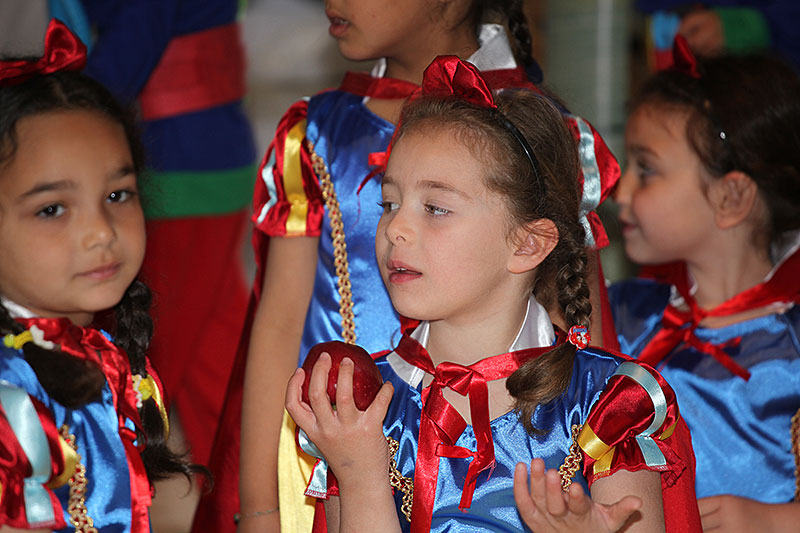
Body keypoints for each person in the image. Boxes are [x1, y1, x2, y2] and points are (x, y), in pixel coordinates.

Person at [195, 1, 621, 532]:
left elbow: (579, 325)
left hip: (514, 468)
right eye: (387, 203)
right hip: (328, 458)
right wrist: (260, 509)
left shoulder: (547, 138)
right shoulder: (316, 135)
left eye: (436, 208)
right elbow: (279, 326)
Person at [286, 56, 700, 533]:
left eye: (436, 208)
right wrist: (359, 473)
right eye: (389, 203)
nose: (395, 228)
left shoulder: (605, 405)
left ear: (527, 244)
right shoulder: (365, 405)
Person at [0, 20, 195, 532]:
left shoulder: (106, 357)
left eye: (116, 196)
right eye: (52, 209)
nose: (100, 233)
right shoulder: (9, 392)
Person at [610, 39, 800, 531]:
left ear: (730, 196)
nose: (622, 190)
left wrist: (777, 522)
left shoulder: (790, 341)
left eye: (646, 169)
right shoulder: (626, 313)